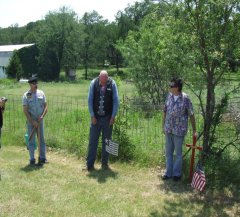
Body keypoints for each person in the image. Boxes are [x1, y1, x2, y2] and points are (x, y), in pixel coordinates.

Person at [162, 78, 196, 181]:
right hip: (168, 129)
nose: (169, 87)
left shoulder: (185, 98)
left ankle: (177, 174)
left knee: (178, 153)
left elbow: (191, 114)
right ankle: (168, 173)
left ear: (177, 88)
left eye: (171, 86)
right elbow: (164, 111)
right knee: (168, 152)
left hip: (179, 131)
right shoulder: (169, 96)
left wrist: (195, 130)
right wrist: (162, 125)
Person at [86, 70, 119, 171]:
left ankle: (105, 164)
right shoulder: (93, 83)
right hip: (95, 117)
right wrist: (92, 115)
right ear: (99, 77)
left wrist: (113, 116)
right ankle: (89, 165)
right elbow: (90, 99)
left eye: (106, 80)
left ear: (107, 78)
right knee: (92, 141)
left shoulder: (112, 84)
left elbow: (116, 101)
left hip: (108, 117)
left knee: (108, 141)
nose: (104, 82)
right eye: (102, 80)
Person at [22, 76, 48, 165]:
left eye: (36, 83)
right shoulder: (26, 95)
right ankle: (32, 159)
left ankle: (42, 158)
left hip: (40, 121)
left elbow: (46, 106)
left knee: (42, 139)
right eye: (34, 83)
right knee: (31, 140)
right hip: (31, 121)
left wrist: (42, 117)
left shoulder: (41, 93)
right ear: (30, 84)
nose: (36, 85)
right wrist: (32, 121)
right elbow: (25, 110)